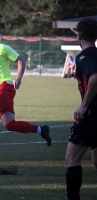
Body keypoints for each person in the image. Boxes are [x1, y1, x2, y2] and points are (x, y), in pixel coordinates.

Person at [0, 26, 52, 160]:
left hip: (5, 87)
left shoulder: (2, 48)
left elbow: (20, 60)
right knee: (10, 124)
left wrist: (19, 78)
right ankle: (41, 130)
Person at [64, 18, 97, 200]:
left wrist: (84, 105)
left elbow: (95, 77)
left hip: (91, 116)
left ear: (79, 35)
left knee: (71, 159)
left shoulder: (84, 57)